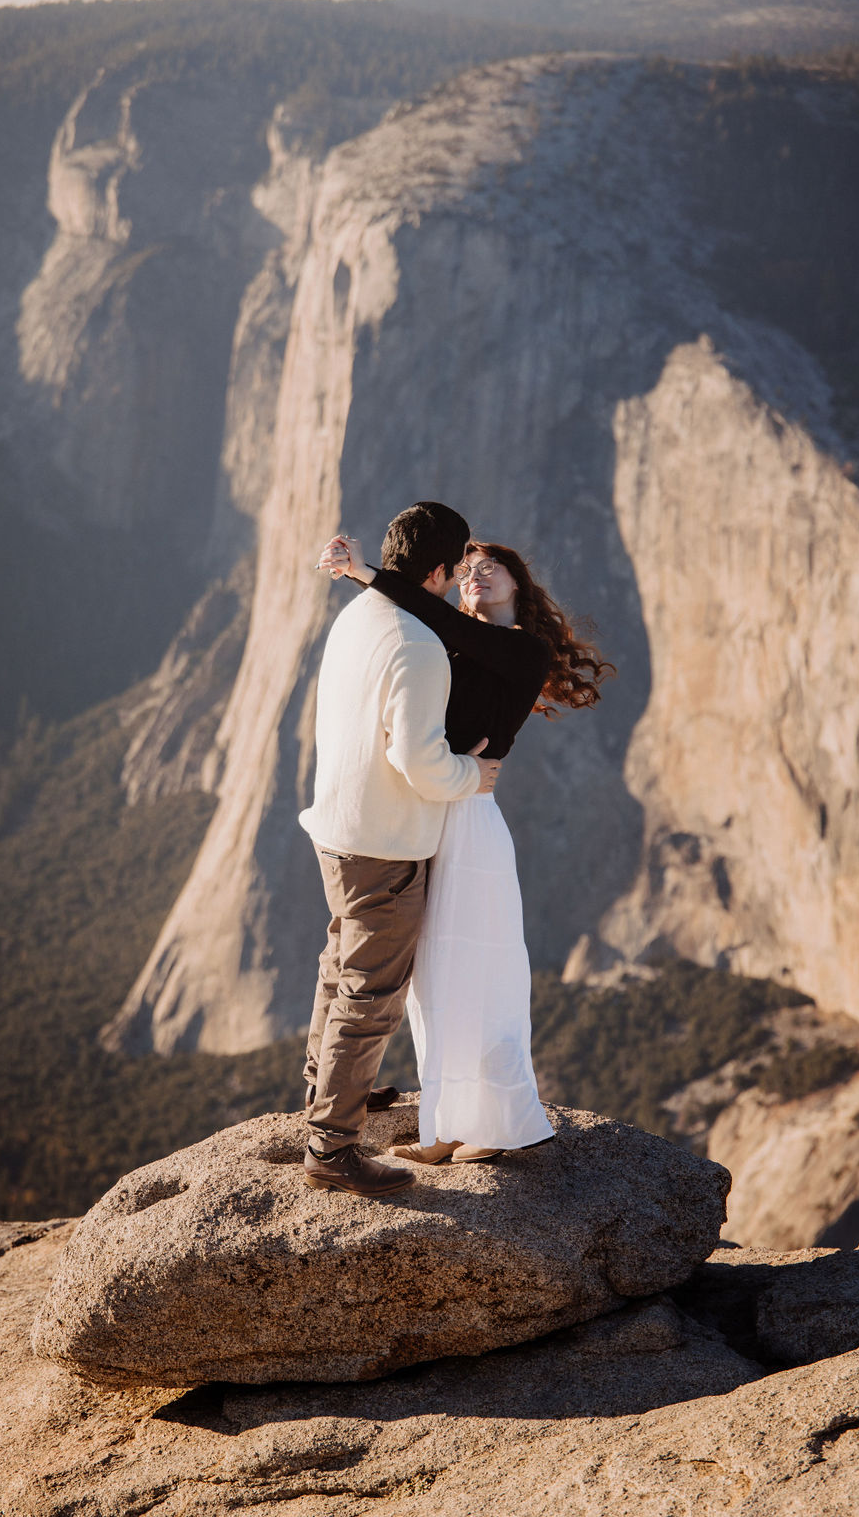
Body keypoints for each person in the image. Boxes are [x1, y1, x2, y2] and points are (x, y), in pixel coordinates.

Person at [317, 533, 610, 1165]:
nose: (477, 573)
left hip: (471, 822)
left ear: (518, 587)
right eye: (468, 567)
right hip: (431, 814)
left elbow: (439, 616)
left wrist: (365, 571)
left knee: (481, 974)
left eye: (492, 567)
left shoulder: (523, 649)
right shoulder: (446, 642)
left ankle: (503, 1122)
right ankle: (447, 1124)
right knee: (435, 984)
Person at [299, 502, 501, 1197]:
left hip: (337, 828)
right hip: (382, 841)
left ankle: (323, 1089)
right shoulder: (416, 641)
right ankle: (332, 1145)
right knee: (371, 990)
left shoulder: (358, 617)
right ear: (441, 569)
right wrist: (472, 773)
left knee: (341, 957)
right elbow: (418, 760)